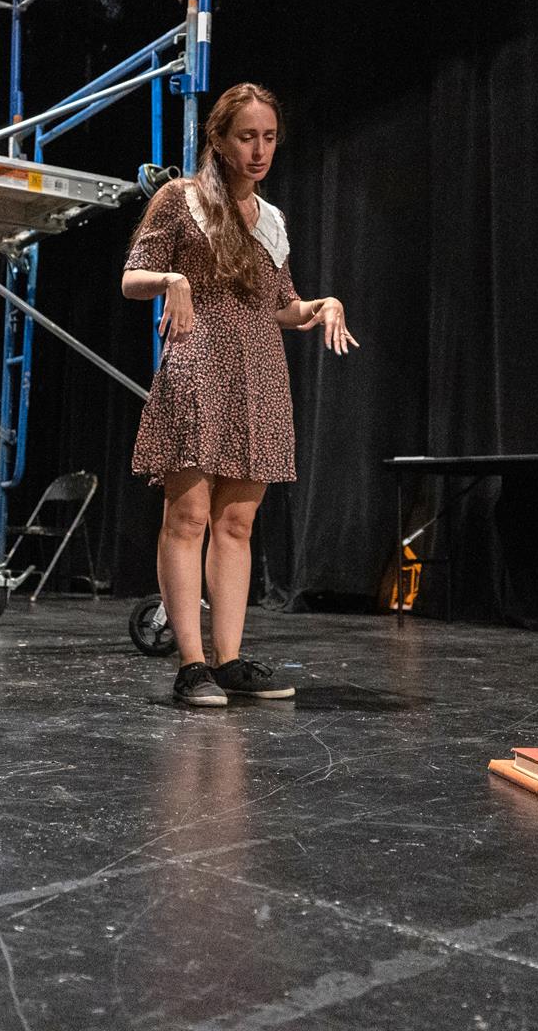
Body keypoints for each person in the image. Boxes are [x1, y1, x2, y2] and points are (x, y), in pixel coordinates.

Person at [121, 83, 358, 708]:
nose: (259, 150)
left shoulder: (271, 219)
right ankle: (191, 664)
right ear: (219, 141)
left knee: (236, 521)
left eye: (269, 138)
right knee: (189, 516)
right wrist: (172, 279)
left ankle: (228, 659)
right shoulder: (180, 200)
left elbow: (281, 306)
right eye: (247, 137)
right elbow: (131, 279)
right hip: (198, 363)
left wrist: (320, 304)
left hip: (259, 372)